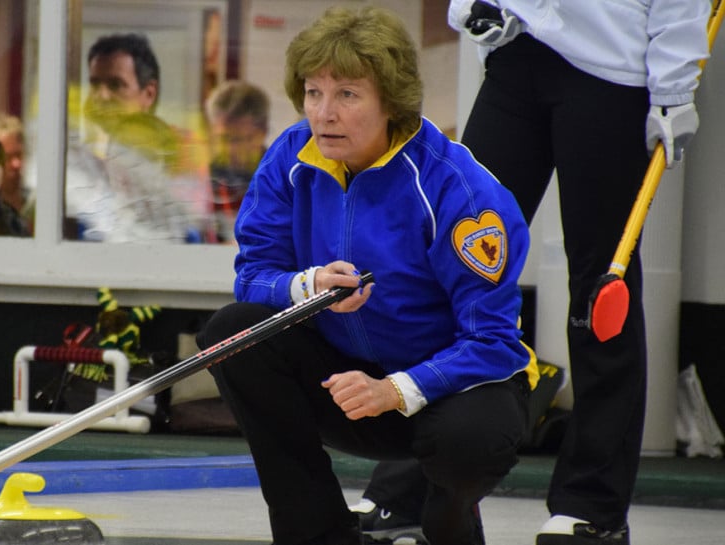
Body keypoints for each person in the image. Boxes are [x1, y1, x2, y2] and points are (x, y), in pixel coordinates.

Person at [353, 2, 711, 545]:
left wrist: (675, 85)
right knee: (448, 265)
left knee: (601, 290)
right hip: (516, 55)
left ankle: (593, 505)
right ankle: (408, 487)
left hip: (610, 72)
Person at [195, 6, 536, 545]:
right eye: (313, 93)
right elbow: (253, 277)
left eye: (347, 94)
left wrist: (396, 390)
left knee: (470, 441)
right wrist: (306, 289)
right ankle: (319, 535)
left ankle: (449, 520)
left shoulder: (462, 193)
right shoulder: (290, 156)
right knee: (233, 333)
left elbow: (493, 343)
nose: (324, 113)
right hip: (344, 382)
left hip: (447, 393)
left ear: (389, 102)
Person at [68, 32, 210, 243]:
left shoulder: (177, 149)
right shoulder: (86, 155)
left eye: (116, 84)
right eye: (95, 84)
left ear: (149, 93)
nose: (102, 96)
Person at [204, 80, 270, 242]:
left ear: (262, 133)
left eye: (239, 140)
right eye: (224, 138)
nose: (231, 149)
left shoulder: (283, 181)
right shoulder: (203, 181)